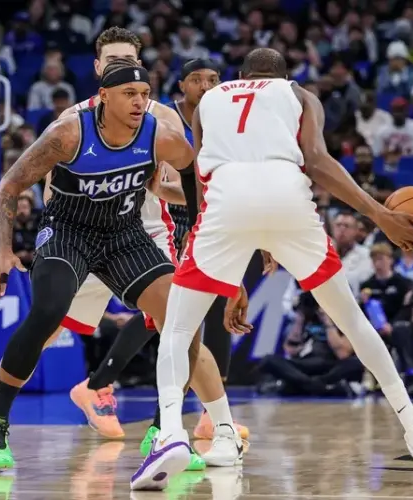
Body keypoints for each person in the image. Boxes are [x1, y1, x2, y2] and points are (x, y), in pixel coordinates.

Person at [132, 48, 413, 491]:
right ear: (284, 77)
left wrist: (231, 270)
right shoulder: (299, 95)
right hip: (288, 201)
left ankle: (170, 434)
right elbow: (316, 161)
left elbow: (205, 183)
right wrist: (380, 214)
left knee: (178, 329)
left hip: (224, 207)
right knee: (354, 323)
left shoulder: (208, 102)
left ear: (240, 76)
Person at [0, 29, 209, 470]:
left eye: (144, 94)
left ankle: (165, 431)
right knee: (49, 311)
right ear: (103, 95)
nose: (139, 102)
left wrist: (196, 227)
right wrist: (2, 251)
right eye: (129, 94)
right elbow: (9, 187)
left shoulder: (161, 134)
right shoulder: (68, 132)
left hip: (124, 234)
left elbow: (192, 173)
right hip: (68, 232)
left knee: (184, 318)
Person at [138, 58, 249, 461]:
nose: (206, 86)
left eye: (213, 79)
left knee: (189, 330)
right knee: (176, 327)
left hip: (215, 228)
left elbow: (233, 190)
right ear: (181, 85)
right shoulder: (167, 124)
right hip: (180, 228)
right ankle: (181, 427)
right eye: (198, 79)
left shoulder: (229, 128)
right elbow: (170, 186)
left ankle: (191, 426)